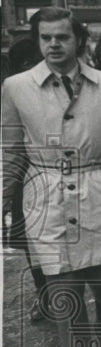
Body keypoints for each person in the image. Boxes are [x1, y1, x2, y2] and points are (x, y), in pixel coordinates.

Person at [1, 8, 101, 347]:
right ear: (38, 41)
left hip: (100, 194)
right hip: (45, 196)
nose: (54, 44)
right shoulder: (16, 87)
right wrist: (5, 195)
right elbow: (9, 149)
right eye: (46, 38)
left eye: (62, 37)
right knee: (64, 291)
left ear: (78, 40)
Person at [2, 38, 47, 322]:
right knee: (33, 241)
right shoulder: (13, 92)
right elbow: (9, 146)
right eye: (25, 65)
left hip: (67, 175)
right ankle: (44, 294)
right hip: (26, 179)